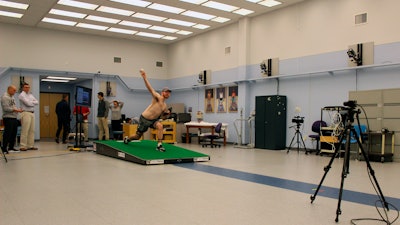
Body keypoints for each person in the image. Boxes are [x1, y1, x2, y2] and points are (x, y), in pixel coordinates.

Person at [124, 69, 171, 152]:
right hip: (144, 119)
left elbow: (162, 118)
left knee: (160, 126)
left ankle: (159, 145)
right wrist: (144, 78)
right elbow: (150, 89)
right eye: (166, 92)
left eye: (169, 92)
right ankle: (127, 139)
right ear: (162, 92)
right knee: (137, 136)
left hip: (153, 121)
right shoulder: (157, 97)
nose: (167, 93)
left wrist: (166, 115)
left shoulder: (165, 106)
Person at [1, 85, 23, 154]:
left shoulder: (12, 97)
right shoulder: (5, 97)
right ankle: (4, 148)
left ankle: (11, 147)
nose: (15, 91)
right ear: (9, 89)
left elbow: (13, 106)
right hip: (8, 118)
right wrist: (15, 110)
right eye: (14, 90)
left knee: (13, 133)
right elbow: (6, 108)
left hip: (14, 118)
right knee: (7, 133)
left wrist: (17, 110)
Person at [18, 82, 39, 151]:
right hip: (25, 113)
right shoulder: (21, 95)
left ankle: (30, 145)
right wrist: (32, 102)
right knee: (25, 130)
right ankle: (23, 146)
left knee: (32, 130)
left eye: (28, 87)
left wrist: (31, 102)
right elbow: (28, 104)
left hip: (32, 113)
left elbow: (37, 102)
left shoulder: (30, 95)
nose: (27, 89)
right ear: (23, 88)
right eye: (26, 87)